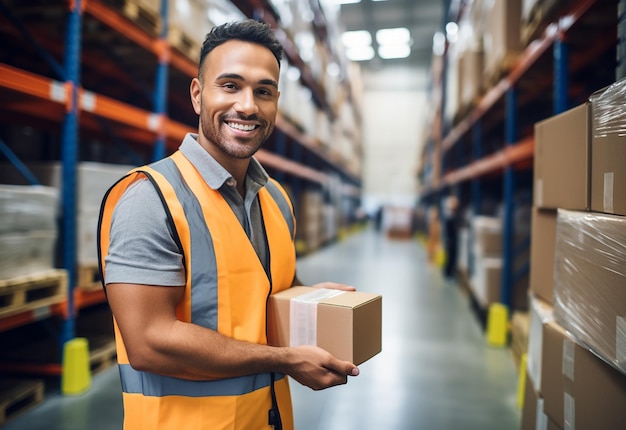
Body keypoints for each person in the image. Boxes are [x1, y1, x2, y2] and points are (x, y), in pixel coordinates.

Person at [97, 19, 359, 430]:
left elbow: (259, 297)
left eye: (264, 91)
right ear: (199, 95)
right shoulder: (152, 199)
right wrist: (287, 359)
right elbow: (149, 343)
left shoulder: (275, 199)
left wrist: (315, 299)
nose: (248, 106)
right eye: (230, 85)